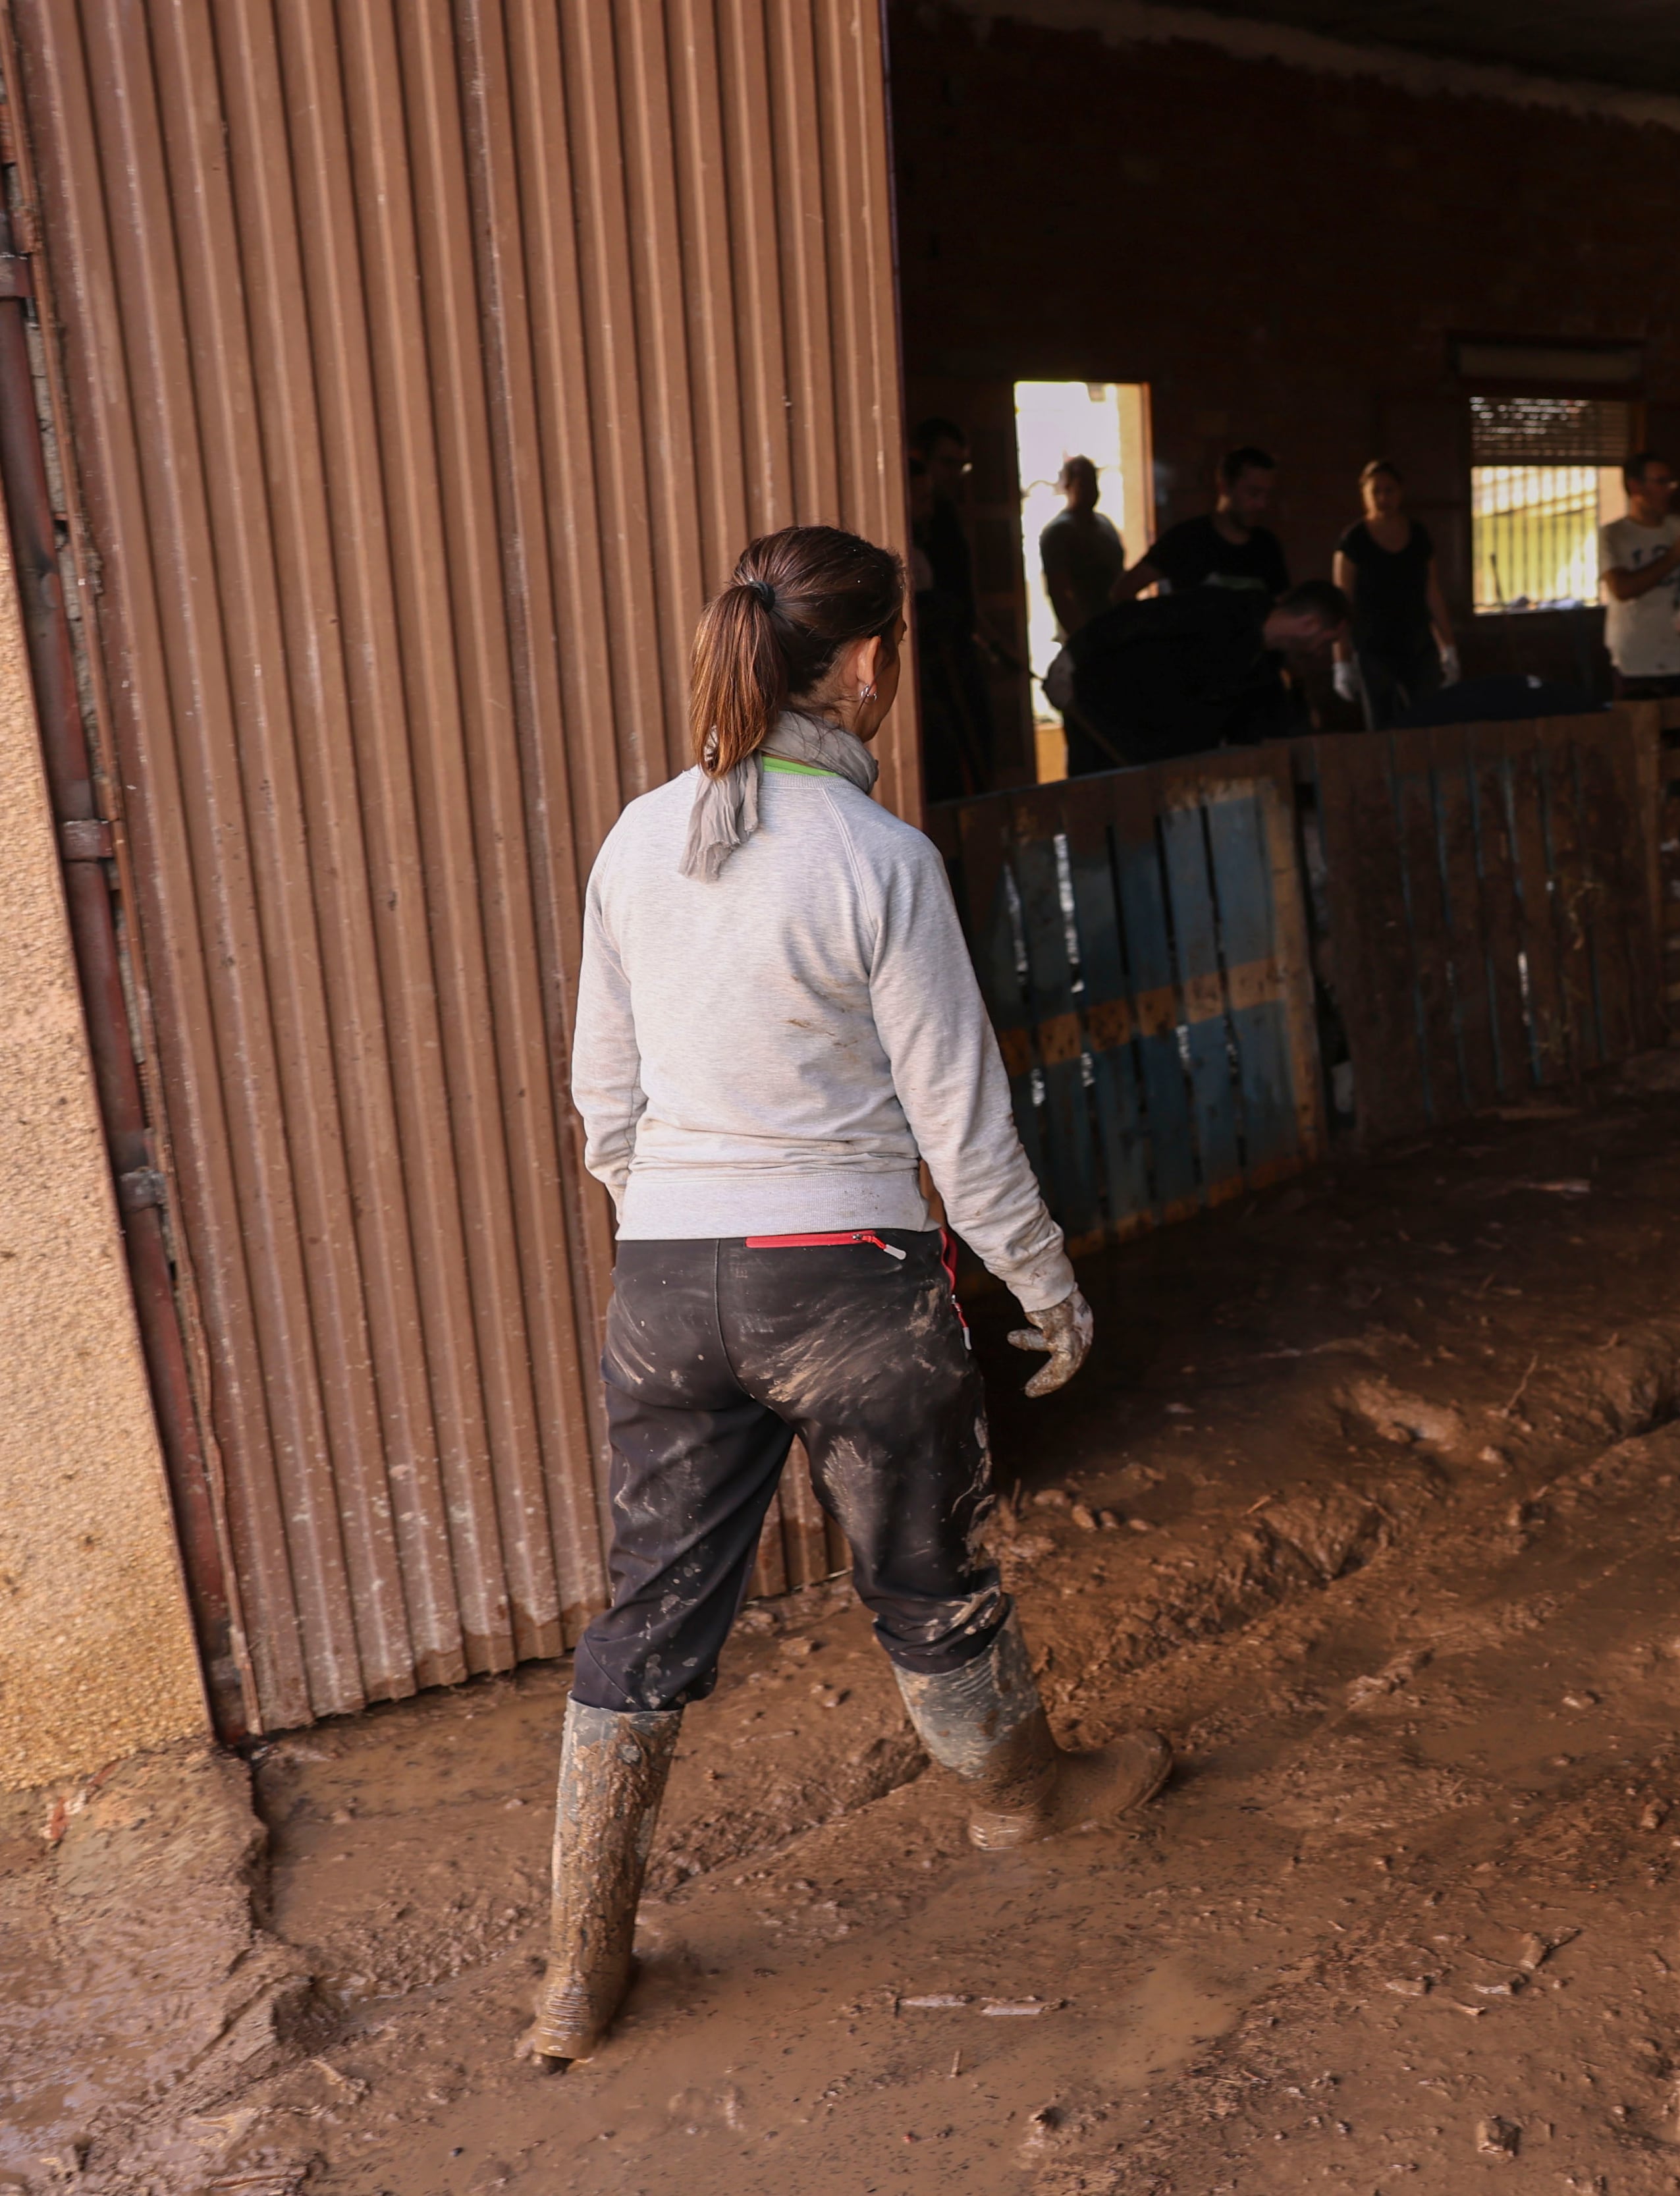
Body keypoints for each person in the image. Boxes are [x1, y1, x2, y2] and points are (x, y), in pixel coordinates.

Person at [539, 525, 1166, 2068]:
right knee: (919, 1570)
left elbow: (599, 1102)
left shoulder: (635, 840)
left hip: (667, 1287)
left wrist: (684, 1219)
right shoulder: (880, 860)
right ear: (874, 665)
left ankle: (578, 1968)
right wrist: (1044, 1287)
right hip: (851, 1291)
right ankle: (1024, 1803)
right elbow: (960, 1124)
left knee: (649, 1616)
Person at [1068, 578, 1348, 767]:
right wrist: (1072, 655)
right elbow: (1136, 618)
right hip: (1104, 717)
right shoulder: (1221, 609)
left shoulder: (1264, 670)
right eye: (1327, 642)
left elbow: (1262, 734)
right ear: (1309, 624)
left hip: (1151, 755)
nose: (1320, 653)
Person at [909, 417, 1005, 800]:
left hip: (958, 654)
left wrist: (989, 641)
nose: (956, 474)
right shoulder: (908, 527)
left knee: (979, 749)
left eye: (961, 465)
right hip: (929, 667)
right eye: (948, 463)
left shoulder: (944, 518)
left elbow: (960, 595)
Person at [1332, 458, 1461, 725]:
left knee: (1428, 722)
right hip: (1373, 647)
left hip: (1417, 644)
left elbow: (1432, 592)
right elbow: (1341, 601)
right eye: (1375, 491)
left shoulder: (1418, 535)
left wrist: (1448, 647)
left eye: (1389, 490)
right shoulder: (1354, 540)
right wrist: (1341, 661)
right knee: (1383, 726)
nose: (1383, 497)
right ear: (1365, 495)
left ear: (1400, 492)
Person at [1597, 453, 1680, 700]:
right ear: (1635, 486)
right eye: (1661, 482)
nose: (1669, 490)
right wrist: (1674, 557)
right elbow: (1622, 589)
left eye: (1671, 482)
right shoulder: (1614, 534)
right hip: (1638, 658)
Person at [1118, 445, 1288, 604]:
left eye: (1267, 495)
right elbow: (1123, 591)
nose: (1262, 504)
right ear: (1225, 486)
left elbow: (1280, 605)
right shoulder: (1187, 540)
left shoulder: (1266, 546)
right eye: (1253, 493)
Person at [1039, 456, 1125, 767]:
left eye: (1094, 481)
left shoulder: (1104, 526)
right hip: (1084, 644)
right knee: (1086, 734)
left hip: (1111, 639)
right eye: (1082, 482)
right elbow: (1060, 593)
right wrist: (1081, 642)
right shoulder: (1059, 533)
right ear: (1067, 486)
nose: (1090, 490)